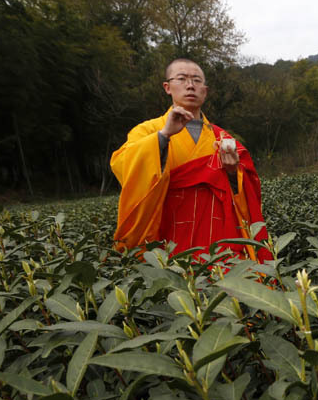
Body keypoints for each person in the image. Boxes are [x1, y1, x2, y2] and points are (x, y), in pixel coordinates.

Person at [111, 58, 272, 261]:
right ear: (167, 87)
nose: (190, 85)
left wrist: (232, 172)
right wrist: (163, 137)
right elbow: (122, 167)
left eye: (196, 80)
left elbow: (249, 190)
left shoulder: (222, 138)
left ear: (205, 91)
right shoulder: (148, 131)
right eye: (182, 79)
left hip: (218, 236)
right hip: (167, 235)